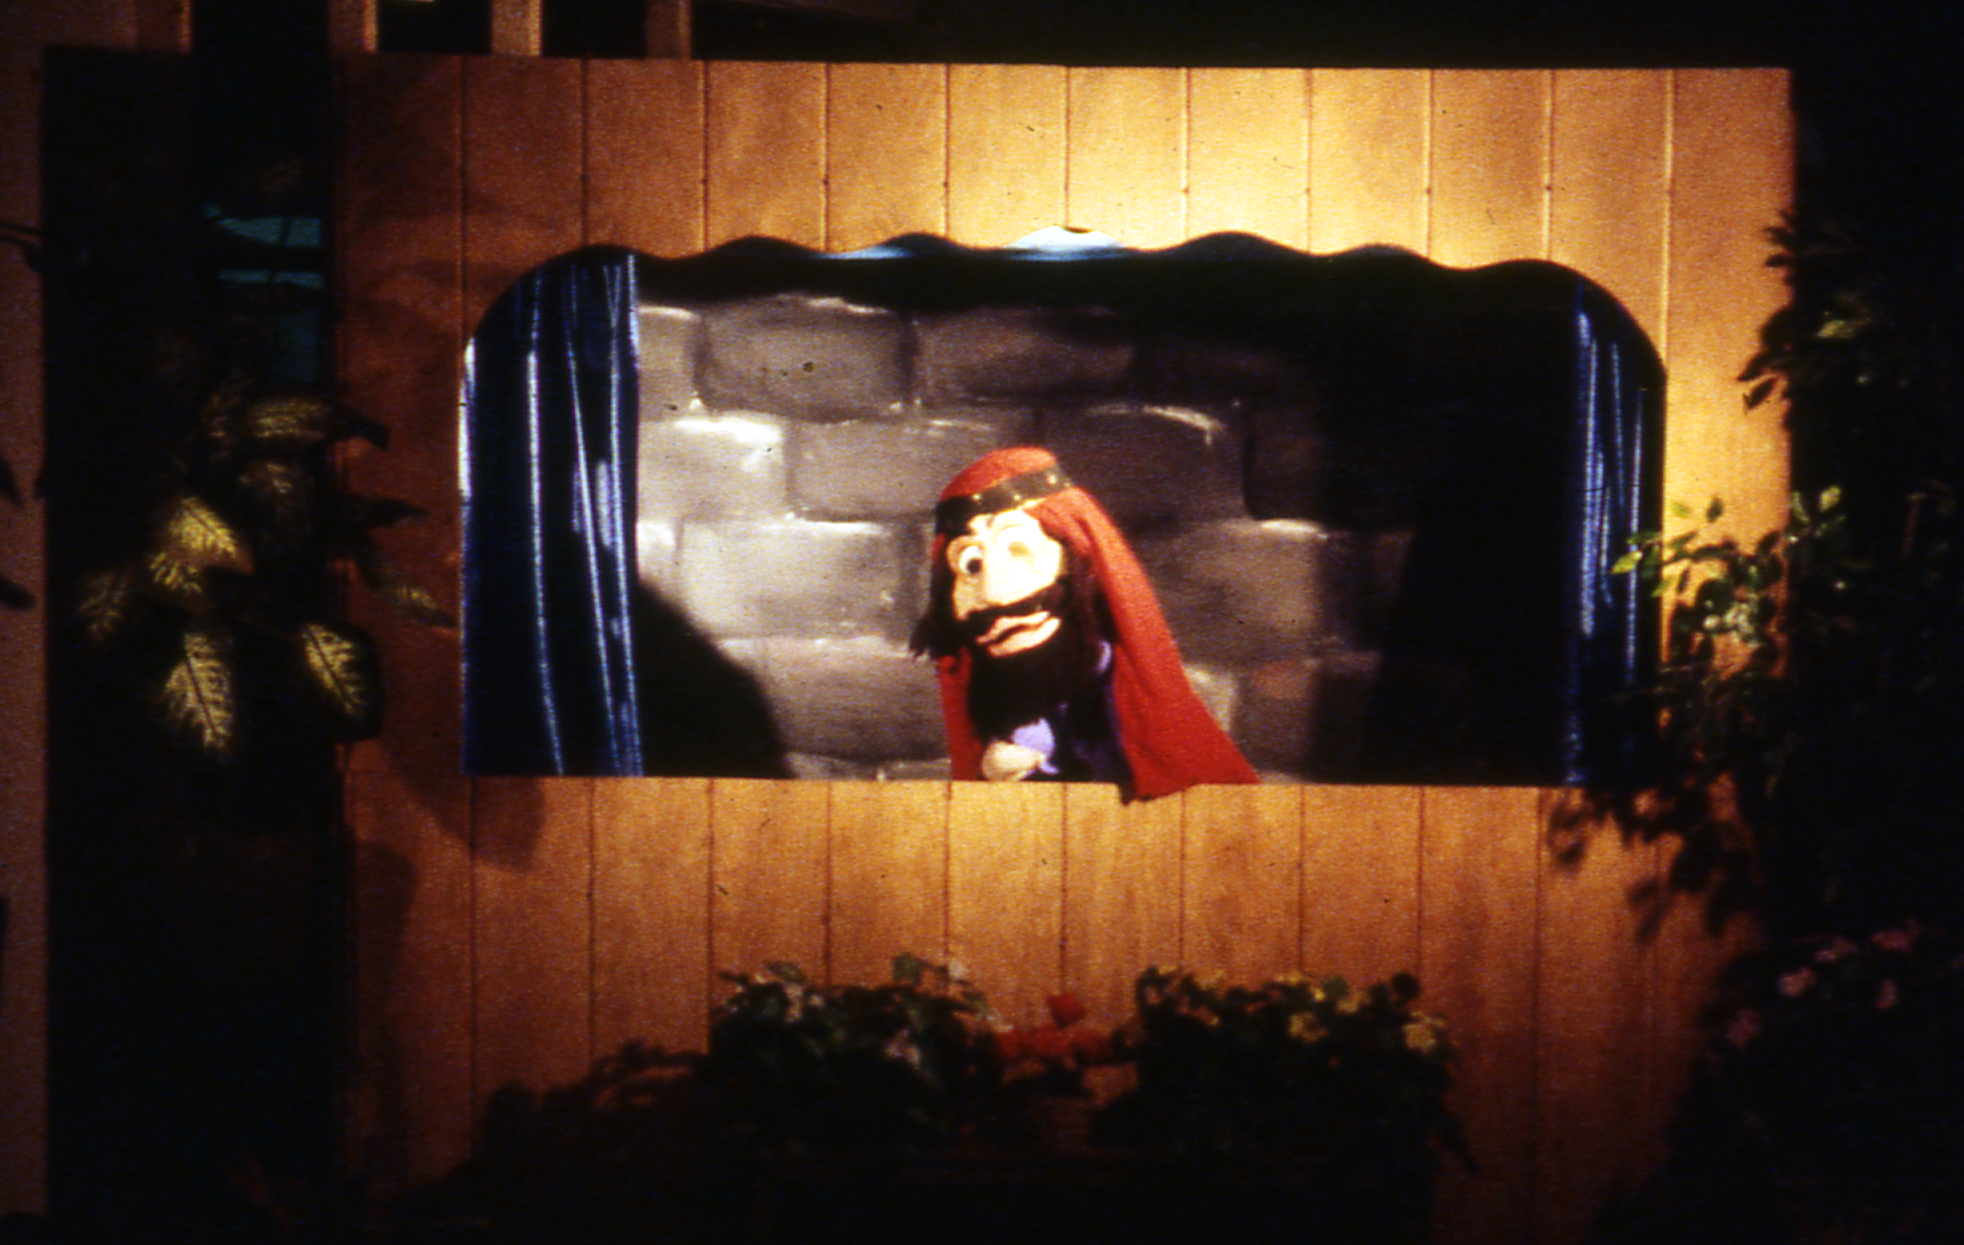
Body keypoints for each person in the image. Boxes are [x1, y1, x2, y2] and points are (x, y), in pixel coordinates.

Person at [912, 446, 1259, 799]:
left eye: (1017, 548)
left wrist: (1037, 753)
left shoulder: (1099, 666)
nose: (992, 592)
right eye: (971, 564)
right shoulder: (999, 679)